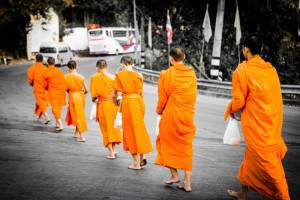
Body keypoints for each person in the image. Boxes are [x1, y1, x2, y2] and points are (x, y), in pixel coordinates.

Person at [224, 34, 290, 200]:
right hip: (271, 121)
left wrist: (230, 108)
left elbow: (239, 102)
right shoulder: (270, 69)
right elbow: (276, 97)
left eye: (243, 48)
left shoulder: (242, 70)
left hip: (256, 125)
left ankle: (284, 196)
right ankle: (242, 193)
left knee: (269, 164)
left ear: (246, 49)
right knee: (250, 157)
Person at [155, 47, 197, 192]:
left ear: (171, 59)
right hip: (187, 115)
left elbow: (162, 98)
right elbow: (193, 96)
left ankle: (174, 174)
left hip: (172, 115)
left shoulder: (166, 74)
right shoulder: (191, 74)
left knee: (163, 142)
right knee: (186, 147)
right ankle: (187, 182)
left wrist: (159, 111)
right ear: (184, 57)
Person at [114, 56, 152, 170]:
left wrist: (117, 102)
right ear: (133, 64)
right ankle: (143, 155)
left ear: (123, 64)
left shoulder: (120, 75)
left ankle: (136, 163)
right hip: (139, 103)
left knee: (130, 131)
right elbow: (142, 93)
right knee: (139, 129)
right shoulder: (139, 75)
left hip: (128, 103)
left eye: (122, 66)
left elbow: (118, 94)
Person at [90, 59, 122, 159]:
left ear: (97, 68)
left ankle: (111, 152)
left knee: (105, 128)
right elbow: (118, 92)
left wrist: (94, 99)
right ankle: (114, 149)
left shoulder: (94, 77)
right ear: (106, 66)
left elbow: (94, 95)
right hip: (113, 105)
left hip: (103, 105)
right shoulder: (113, 77)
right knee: (113, 127)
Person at [65, 60, 88, 142]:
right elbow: (86, 90)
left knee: (77, 116)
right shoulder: (81, 77)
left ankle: (82, 136)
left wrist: (71, 91)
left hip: (72, 96)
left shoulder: (66, 77)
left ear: (68, 68)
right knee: (79, 114)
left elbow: (66, 89)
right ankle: (76, 133)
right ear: (76, 66)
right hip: (81, 96)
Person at [44, 57, 66, 131]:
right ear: (54, 63)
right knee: (58, 108)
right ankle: (57, 123)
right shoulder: (59, 71)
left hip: (53, 92)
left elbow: (45, 84)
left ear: (47, 63)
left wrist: (46, 88)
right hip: (61, 91)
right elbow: (64, 81)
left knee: (54, 109)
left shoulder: (46, 72)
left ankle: (61, 124)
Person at [27, 54, 50, 123]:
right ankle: (38, 115)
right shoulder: (46, 69)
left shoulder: (31, 69)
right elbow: (49, 79)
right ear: (42, 60)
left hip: (38, 88)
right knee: (42, 102)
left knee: (40, 102)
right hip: (45, 88)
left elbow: (30, 80)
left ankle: (46, 117)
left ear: (35, 60)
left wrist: (32, 84)